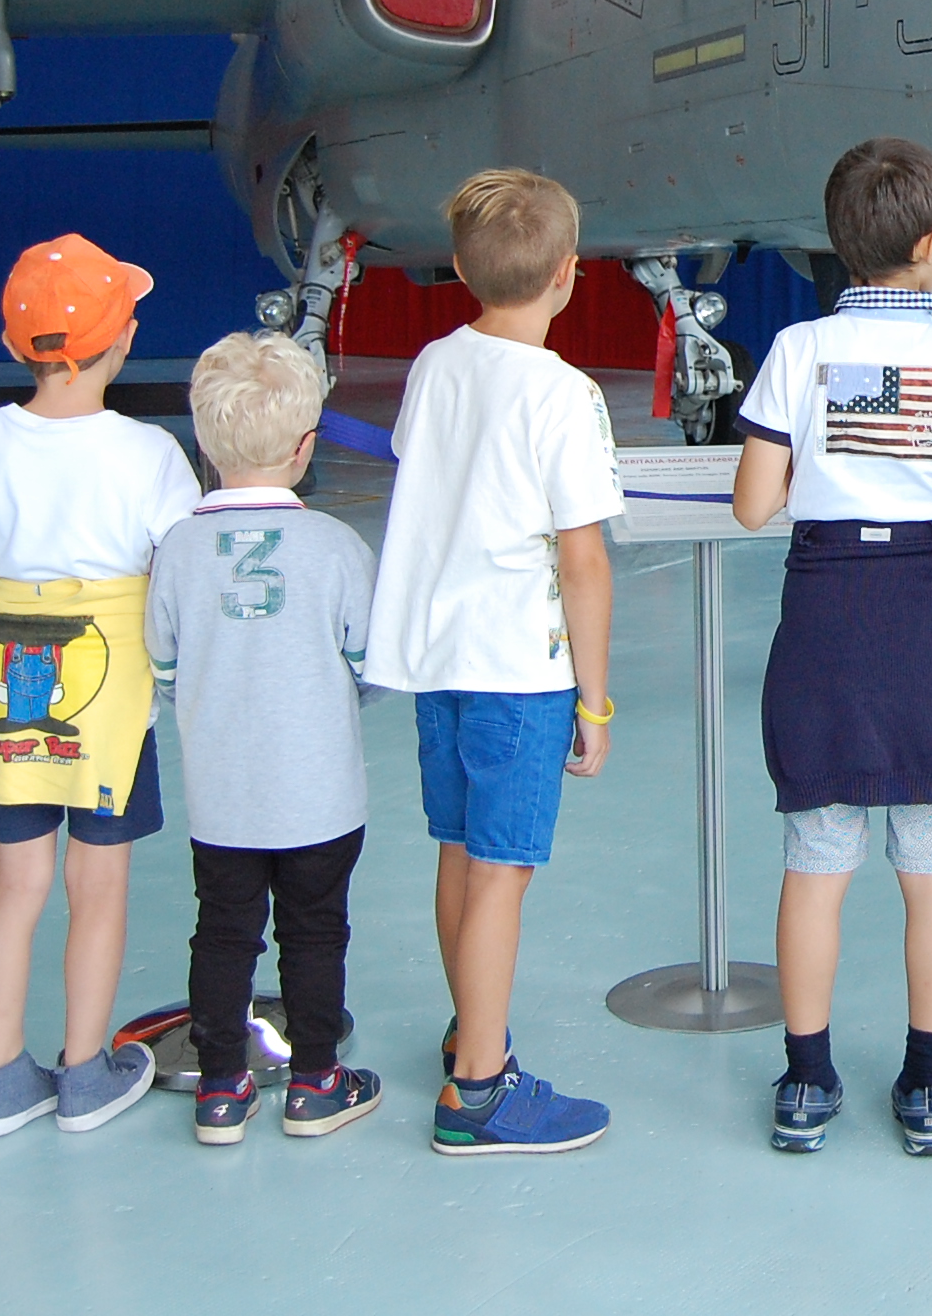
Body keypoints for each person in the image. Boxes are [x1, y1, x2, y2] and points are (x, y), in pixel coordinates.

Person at [731, 138, 932, 1157]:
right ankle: (928, 1085)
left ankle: (807, 1082)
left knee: (816, 859)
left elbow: (755, 502)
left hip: (826, 620)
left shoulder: (797, 353)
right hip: (930, 618)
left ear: (837, 242)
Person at [366, 169, 621, 1156]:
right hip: (521, 666)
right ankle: (478, 1085)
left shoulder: (434, 361)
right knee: (504, 870)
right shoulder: (563, 393)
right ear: (567, 274)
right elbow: (583, 558)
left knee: (459, 851)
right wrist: (592, 702)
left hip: (438, 657)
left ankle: (472, 1026)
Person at [0, 235, 201, 1139]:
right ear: (122, 341)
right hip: (113, 688)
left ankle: (3, 1078)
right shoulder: (148, 452)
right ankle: (85, 1072)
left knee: (17, 881)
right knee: (100, 882)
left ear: (16, 346)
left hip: (14, 678)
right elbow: (178, 567)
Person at [150, 330, 382, 1146]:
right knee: (315, 929)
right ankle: (317, 1079)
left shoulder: (176, 549)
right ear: (305, 446)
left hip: (222, 796)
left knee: (223, 929)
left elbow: (166, 665)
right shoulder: (337, 547)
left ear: (204, 444)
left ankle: (221, 1088)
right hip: (320, 792)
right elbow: (368, 663)